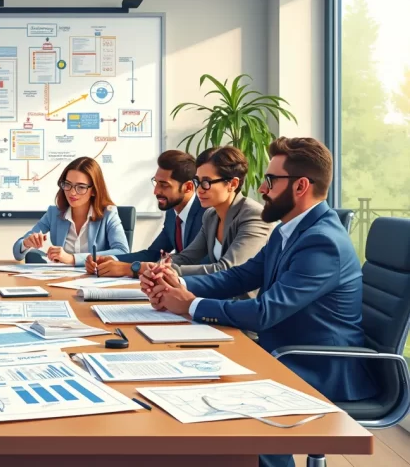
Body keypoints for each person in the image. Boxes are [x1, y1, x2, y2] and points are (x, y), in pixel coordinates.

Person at [141, 137, 377, 467]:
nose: (262, 189)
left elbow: (266, 312)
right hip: (284, 349)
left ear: (301, 186)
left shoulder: (322, 241)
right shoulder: (288, 229)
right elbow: (239, 277)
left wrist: (190, 304)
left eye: (270, 181)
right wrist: (176, 285)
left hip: (320, 365)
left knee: (217, 394)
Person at [137, 147, 273, 295]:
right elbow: (186, 258)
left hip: (244, 308)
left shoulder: (254, 216)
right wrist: (157, 269)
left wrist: (169, 272)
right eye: (198, 181)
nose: (199, 190)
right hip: (216, 300)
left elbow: (227, 268)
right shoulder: (210, 216)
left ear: (232, 184)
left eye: (207, 182)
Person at [85, 150, 205, 277]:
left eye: (164, 185)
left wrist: (129, 268)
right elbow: (154, 253)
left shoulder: (206, 214)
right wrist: (112, 259)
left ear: (188, 187)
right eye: (156, 182)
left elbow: (197, 264)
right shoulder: (172, 212)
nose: (156, 191)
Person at [12, 156, 129, 264]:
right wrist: (26, 243)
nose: (72, 192)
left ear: (94, 190)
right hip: (60, 280)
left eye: (81, 187)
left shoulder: (109, 214)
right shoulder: (54, 213)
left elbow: (123, 251)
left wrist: (72, 259)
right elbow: (17, 253)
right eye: (67, 184)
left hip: (96, 280)